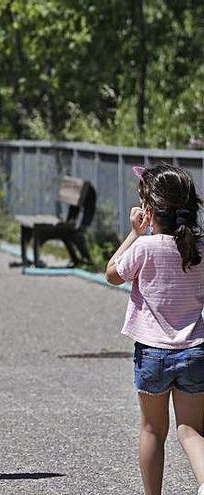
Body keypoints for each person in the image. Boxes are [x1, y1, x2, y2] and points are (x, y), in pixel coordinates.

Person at [106, 164, 204, 495]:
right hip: (194, 350)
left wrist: (134, 231)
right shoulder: (198, 249)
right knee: (190, 430)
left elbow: (111, 273)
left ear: (149, 209)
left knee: (152, 430)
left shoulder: (144, 248)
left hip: (152, 354)